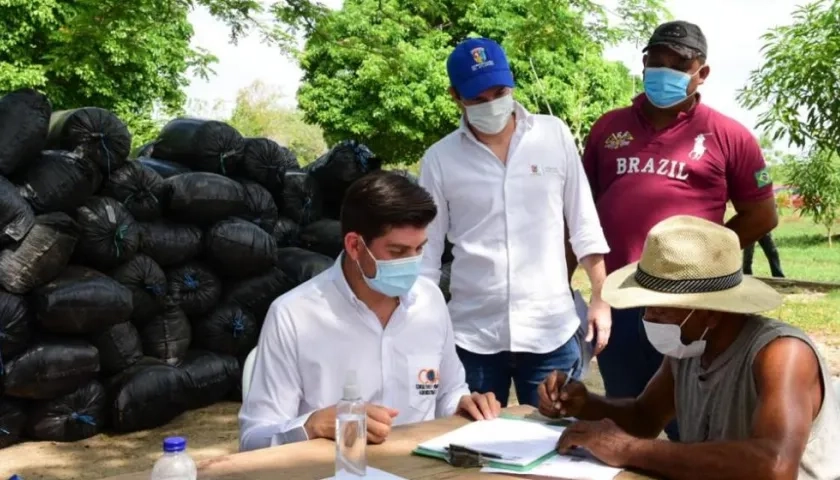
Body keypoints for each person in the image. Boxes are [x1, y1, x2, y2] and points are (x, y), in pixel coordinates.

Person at [569, 20, 780, 440]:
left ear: (702, 73)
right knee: (627, 420)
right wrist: (568, 281)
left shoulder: (729, 136)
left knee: (695, 423)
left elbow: (763, 215)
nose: (664, 70)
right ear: (644, 62)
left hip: (694, 305)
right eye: (656, 60)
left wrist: (704, 258)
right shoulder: (609, 129)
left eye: (679, 63)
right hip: (623, 297)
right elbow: (579, 212)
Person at [540, 215, 840, 480]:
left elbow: (774, 467)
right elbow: (645, 417)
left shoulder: (781, 354)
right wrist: (585, 403)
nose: (648, 318)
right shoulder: (690, 349)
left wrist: (629, 449)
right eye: (647, 308)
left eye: (661, 310)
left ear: (710, 312)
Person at [239, 171, 500, 452]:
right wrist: (312, 425)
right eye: (398, 252)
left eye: (419, 249)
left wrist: (464, 404)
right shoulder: (294, 316)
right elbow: (254, 439)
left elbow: (449, 390)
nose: (412, 264)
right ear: (354, 245)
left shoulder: (430, 301)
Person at [418, 37, 611, 409]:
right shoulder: (440, 160)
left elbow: (584, 223)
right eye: (478, 99)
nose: (492, 105)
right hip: (471, 335)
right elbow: (426, 254)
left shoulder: (553, 135)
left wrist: (601, 296)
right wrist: (425, 326)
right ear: (455, 96)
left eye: (499, 92)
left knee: (554, 442)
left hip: (549, 331)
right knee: (467, 448)